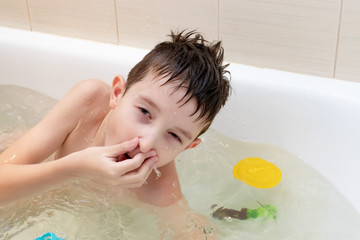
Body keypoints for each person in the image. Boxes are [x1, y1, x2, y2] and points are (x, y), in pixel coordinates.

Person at [0, 30, 231, 238]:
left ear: (188, 147)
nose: (146, 143)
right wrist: (72, 168)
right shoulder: (89, 103)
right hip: (38, 166)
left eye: (174, 136)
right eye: (144, 111)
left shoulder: (158, 182)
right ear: (118, 93)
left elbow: (189, 230)